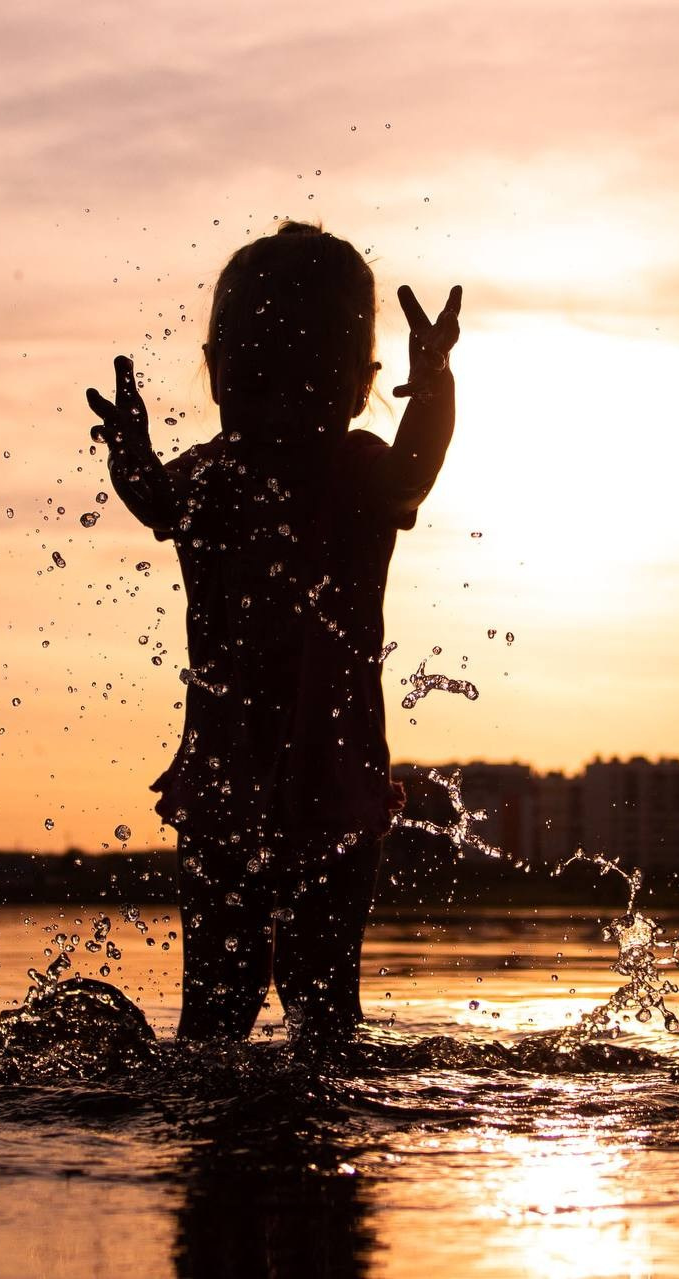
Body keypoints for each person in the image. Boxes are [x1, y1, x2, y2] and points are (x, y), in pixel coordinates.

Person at [87, 222, 460, 1043]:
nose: (281, 409)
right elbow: (153, 497)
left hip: (323, 788)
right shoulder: (216, 475)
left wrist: (434, 385)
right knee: (226, 1000)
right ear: (218, 375)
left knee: (313, 1001)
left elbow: (417, 466)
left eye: (308, 385)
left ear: (359, 388)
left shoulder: (355, 473)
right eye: (259, 382)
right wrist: (130, 452)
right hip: (247, 783)